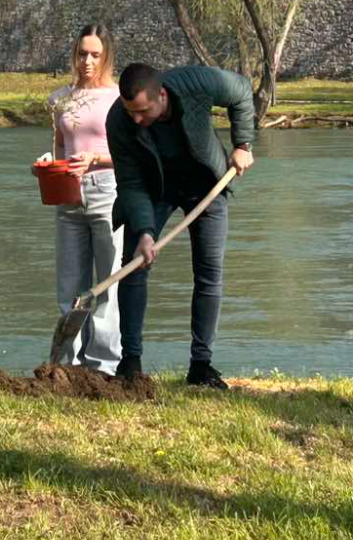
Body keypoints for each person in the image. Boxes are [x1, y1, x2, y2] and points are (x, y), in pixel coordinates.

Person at [105, 62, 255, 389]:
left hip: (206, 185)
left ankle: (201, 367)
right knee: (133, 264)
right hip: (153, 189)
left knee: (208, 271)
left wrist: (242, 144)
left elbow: (242, 91)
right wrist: (145, 232)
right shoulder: (119, 120)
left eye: (143, 111)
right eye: (131, 111)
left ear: (161, 95)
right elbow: (130, 184)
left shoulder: (196, 83)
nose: (136, 119)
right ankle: (130, 364)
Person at [46, 24, 124, 373]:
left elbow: (129, 154)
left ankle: (103, 368)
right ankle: (68, 366)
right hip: (67, 196)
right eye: (82, 53)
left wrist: (96, 160)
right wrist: (50, 166)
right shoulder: (60, 98)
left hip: (107, 192)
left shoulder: (120, 98)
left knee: (107, 284)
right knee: (70, 287)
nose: (87, 61)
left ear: (106, 55)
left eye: (95, 54)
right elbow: (61, 145)